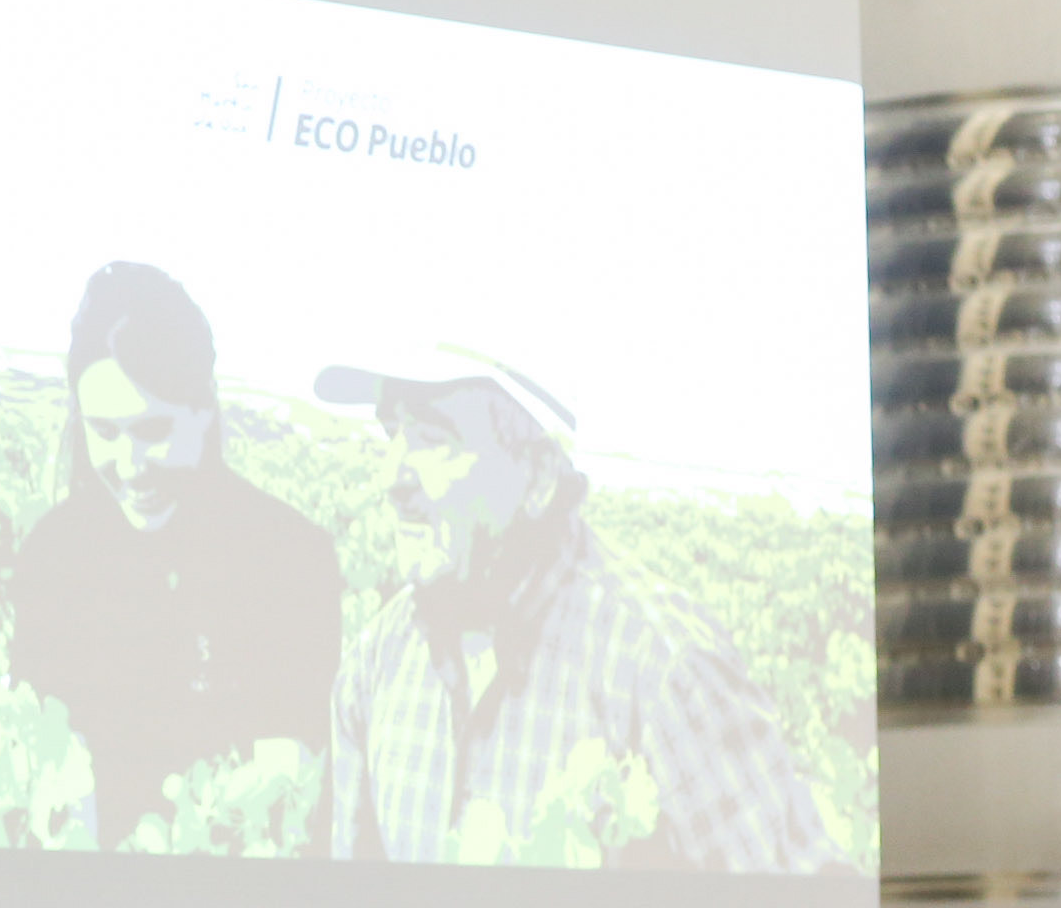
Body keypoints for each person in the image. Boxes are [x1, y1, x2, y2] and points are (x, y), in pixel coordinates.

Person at [315, 353, 842, 869]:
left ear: (539, 477)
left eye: (433, 439)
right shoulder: (376, 659)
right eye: (391, 432)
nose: (392, 478)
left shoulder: (663, 670)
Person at [11, 262, 345, 846]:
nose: (130, 466)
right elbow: (41, 752)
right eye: (104, 433)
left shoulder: (289, 559)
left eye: (153, 431)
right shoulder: (52, 555)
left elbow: (290, 784)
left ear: (205, 409)